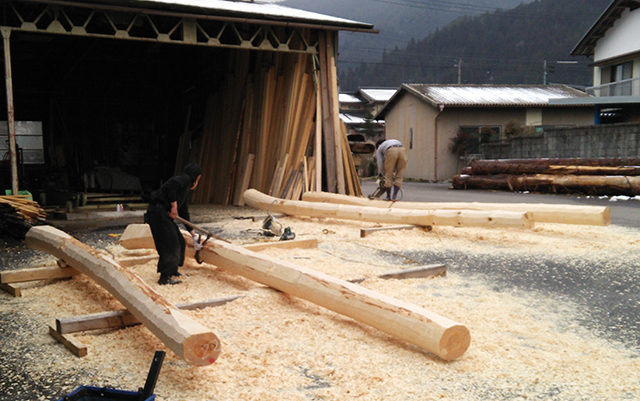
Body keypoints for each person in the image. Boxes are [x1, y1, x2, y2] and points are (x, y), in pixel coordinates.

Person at [145, 163, 203, 285]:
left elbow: (184, 213)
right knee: (170, 245)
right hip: (158, 212)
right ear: (198, 177)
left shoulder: (184, 189)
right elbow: (170, 186)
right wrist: (173, 206)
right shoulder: (185, 178)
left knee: (180, 241)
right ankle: (164, 278)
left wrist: (193, 235)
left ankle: (173, 270)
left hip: (163, 214)